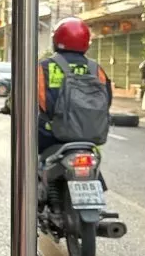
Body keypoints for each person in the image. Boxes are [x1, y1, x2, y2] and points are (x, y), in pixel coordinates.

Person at [38, 17, 112, 154]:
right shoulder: (96, 69)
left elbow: (26, 98)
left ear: (56, 40)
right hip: (90, 136)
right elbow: (106, 101)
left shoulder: (43, 67)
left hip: (50, 136)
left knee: (29, 159)